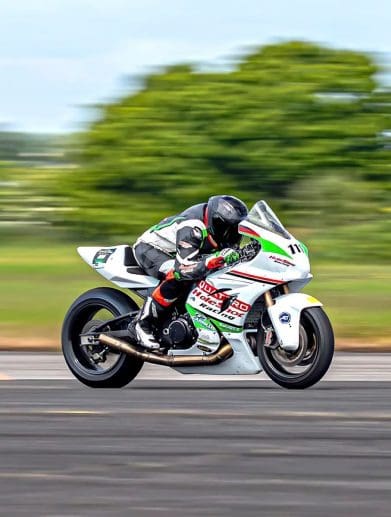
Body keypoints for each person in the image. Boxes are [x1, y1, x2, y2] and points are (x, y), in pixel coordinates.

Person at [133, 195, 248, 349]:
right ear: (216, 221)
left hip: (184, 252)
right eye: (228, 229)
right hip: (151, 249)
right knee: (178, 275)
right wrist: (215, 259)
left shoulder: (213, 228)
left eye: (235, 230)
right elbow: (184, 269)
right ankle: (142, 324)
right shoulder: (193, 227)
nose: (232, 235)